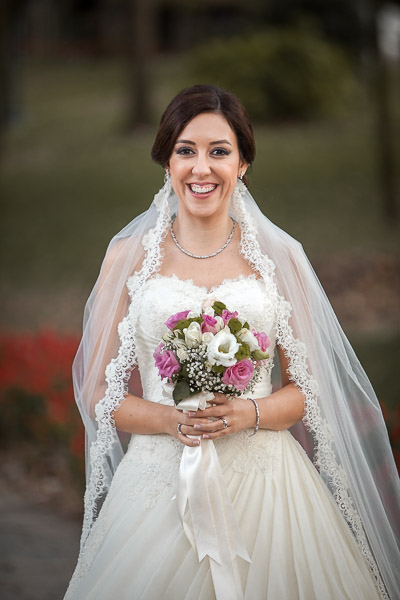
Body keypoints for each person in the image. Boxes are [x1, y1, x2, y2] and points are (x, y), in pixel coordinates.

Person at [64, 85, 399, 600]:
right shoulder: (128, 257)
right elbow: (96, 393)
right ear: (167, 162)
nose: (202, 168)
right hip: (157, 483)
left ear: (242, 163)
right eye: (185, 150)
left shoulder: (281, 258)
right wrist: (170, 421)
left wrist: (249, 413)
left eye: (219, 151)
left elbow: (306, 392)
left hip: (268, 484)